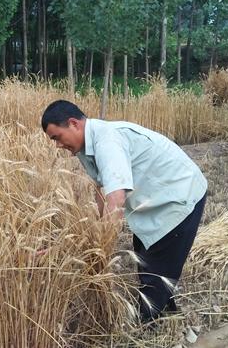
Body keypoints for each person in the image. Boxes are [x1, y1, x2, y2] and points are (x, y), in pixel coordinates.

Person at [41, 99, 207, 323]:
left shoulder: (107, 142)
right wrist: (94, 234)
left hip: (181, 195)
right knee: (145, 255)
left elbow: (116, 199)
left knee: (156, 269)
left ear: (73, 123)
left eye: (57, 137)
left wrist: (101, 247)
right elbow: (102, 191)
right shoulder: (84, 147)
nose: (57, 145)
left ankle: (148, 326)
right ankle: (167, 312)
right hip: (156, 197)